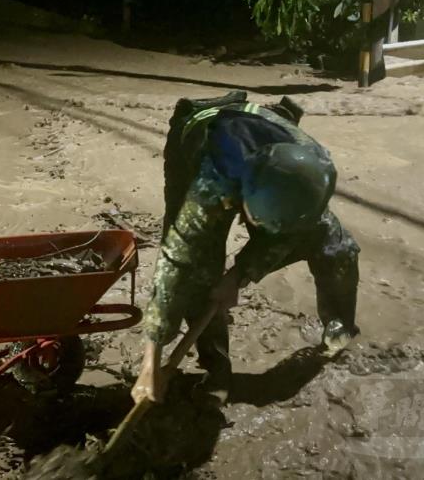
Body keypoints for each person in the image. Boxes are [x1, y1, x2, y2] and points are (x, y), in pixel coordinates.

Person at [131, 91, 360, 406]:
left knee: (338, 247)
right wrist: (150, 361)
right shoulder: (211, 186)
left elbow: (294, 232)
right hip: (198, 143)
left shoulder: (315, 166)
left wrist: (239, 274)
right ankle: (217, 369)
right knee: (200, 274)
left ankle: (340, 327)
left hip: (266, 146)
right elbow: (175, 263)